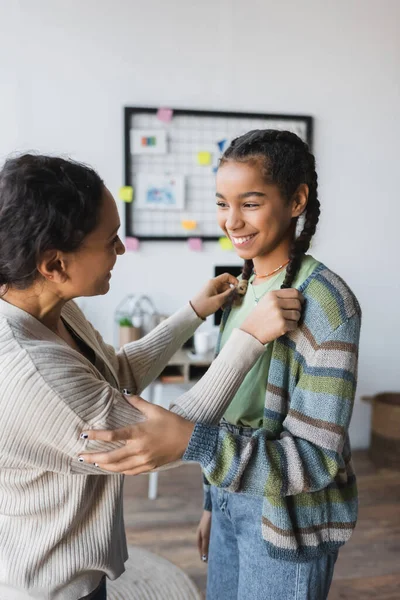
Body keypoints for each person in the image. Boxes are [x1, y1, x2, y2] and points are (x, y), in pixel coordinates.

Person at [0, 154, 298, 600]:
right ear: (54, 264)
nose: (120, 250)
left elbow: (116, 374)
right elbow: (157, 442)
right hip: (47, 585)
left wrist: (193, 312)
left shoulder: (48, 308)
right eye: (110, 240)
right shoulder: (32, 373)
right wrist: (249, 337)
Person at [81, 130, 362, 600]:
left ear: (296, 200)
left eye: (250, 203)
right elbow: (229, 410)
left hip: (285, 519)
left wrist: (199, 448)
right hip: (232, 494)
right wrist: (215, 501)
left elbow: (316, 460)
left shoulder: (329, 305)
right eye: (221, 203)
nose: (232, 221)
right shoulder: (238, 288)